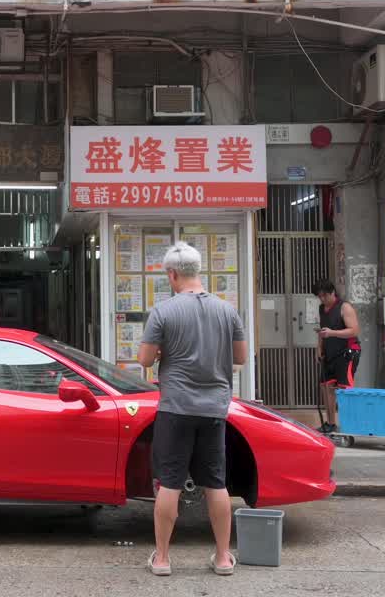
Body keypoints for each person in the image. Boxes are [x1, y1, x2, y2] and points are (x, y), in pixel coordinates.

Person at [137, 241, 247, 577]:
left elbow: (144, 359)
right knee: (215, 482)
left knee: (170, 482)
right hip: (214, 409)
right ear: (198, 272)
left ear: (172, 275)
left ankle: (162, 559)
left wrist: (162, 354)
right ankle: (224, 557)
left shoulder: (164, 312)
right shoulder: (226, 311)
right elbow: (240, 358)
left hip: (176, 408)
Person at [314, 279, 360, 434]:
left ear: (332, 292)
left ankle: (349, 425)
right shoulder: (322, 309)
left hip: (347, 353)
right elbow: (322, 330)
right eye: (319, 296)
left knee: (344, 389)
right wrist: (319, 348)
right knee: (326, 387)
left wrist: (332, 333)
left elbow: (354, 330)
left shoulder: (344, 307)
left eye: (324, 296)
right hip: (329, 353)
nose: (322, 299)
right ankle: (330, 423)